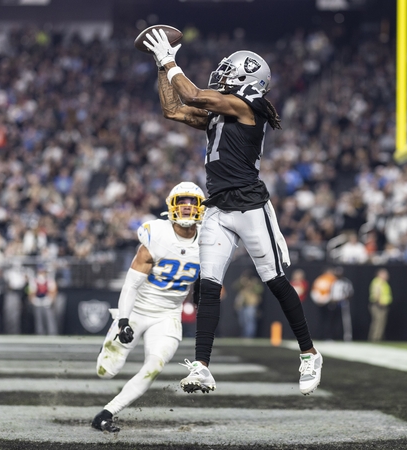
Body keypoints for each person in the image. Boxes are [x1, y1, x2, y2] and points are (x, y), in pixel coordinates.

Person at [144, 29, 321, 395]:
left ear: (247, 78)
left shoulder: (245, 106)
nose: (221, 75)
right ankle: (203, 367)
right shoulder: (219, 112)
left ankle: (309, 354)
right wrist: (162, 68)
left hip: (251, 204)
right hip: (218, 207)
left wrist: (169, 60)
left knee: (274, 280)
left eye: (229, 71)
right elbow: (172, 108)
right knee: (207, 286)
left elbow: (191, 94)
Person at [92, 182, 204, 433]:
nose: (187, 208)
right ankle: (110, 340)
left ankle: (107, 412)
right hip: (138, 309)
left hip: (168, 314)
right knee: (105, 371)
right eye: (182, 202)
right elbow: (131, 285)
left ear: (201, 208)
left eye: (192, 202)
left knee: (154, 365)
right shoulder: (157, 235)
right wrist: (123, 320)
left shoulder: (210, 239)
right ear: (171, 206)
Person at [232, 270, 264, 338]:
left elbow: (260, 290)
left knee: (250, 321)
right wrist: (241, 282)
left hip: (251, 305)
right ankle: (245, 335)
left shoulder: (255, 282)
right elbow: (234, 287)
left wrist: (252, 285)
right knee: (242, 321)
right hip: (242, 305)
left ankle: (249, 336)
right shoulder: (241, 283)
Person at [310, 267, 339, 340]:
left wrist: (320, 300)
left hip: (322, 302)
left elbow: (314, 292)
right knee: (329, 320)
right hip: (328, 302)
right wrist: (324, 300)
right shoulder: (332, 279)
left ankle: (322, 336)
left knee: (324, 320)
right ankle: (326, 336)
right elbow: (334, 291)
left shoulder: (319, 279)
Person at [30, 266, 58, 336]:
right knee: (38, 319)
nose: (41, 273)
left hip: (46, 300)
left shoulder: (49, 280)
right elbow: (31, 291)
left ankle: (52, 332)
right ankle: (40, 333)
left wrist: (50, 299)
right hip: (38, 301)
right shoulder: (34, 280)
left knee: (49, 317)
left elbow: (53, 290)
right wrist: (33, 300)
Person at [368, 268, 392, 342]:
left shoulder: (384, 282)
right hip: (378, 305)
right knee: (378, 322)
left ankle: (378, 337)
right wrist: (379, 302)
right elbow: (377, 293)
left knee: (381, 322)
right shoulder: (378, 282)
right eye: (385, 274)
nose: (387, 276)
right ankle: (375, 338)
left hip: (382, 305)